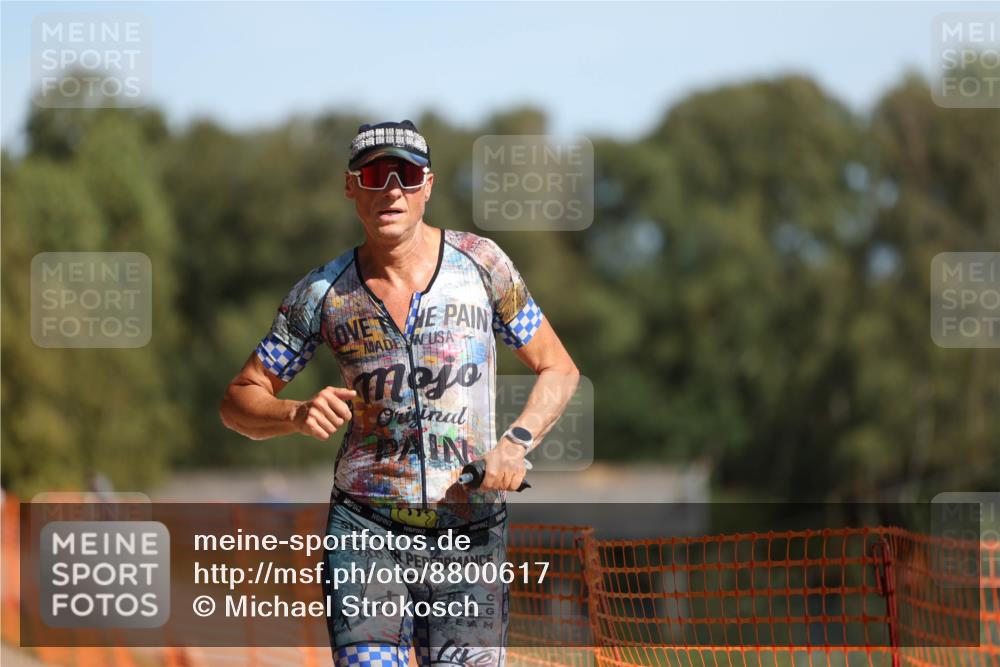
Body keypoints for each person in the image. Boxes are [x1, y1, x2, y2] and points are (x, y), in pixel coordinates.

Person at [220, 120, 579, 667]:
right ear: (350, 187)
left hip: (471, 535)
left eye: (406, 174)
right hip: (365, 532)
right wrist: (294, 413)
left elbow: (558, 368)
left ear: (427, 185)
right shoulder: (322, 292)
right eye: (374, 174)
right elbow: (239, 399)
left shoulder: (482, 265)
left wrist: (516, 443)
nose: (391, 189)